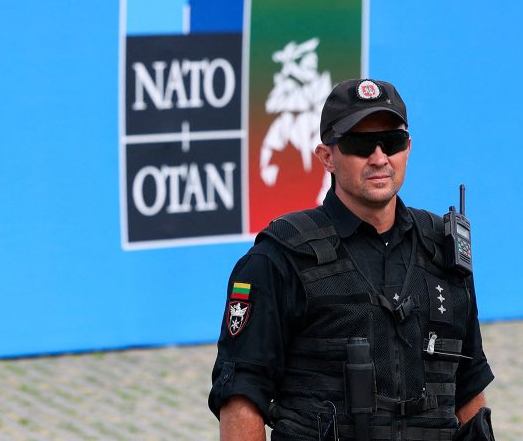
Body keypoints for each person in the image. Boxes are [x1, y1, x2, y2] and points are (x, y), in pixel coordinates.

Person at [208, 79, 494, 440]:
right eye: (360, 145)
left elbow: (468, 388)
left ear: (407, 148)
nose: (379, 158)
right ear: (327, 156)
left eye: (391, 143)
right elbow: (241, 398)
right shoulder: (279, 258)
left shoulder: (445, 249)